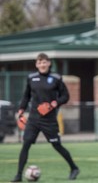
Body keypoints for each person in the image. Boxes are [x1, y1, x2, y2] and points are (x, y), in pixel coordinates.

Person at [11, 53, 80, 182]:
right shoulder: (31, 78)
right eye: (39, 62)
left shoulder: (56, 78)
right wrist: (21, 110)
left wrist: (55, 103)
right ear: (36, 64)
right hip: (33, 119)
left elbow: (65, 96)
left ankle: (74, 168)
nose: (42, 65)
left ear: (49, 63)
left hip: (49, 120)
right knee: (26, 144)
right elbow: (26, 96)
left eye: (44, 62)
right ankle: (18, 175)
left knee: (56, 145)